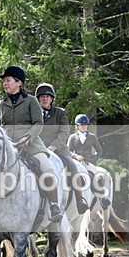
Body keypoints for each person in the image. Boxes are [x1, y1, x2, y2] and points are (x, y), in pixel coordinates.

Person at [0, 65, 63, 222]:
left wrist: (27, 137)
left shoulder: (31, 101)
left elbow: (39, 123)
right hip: (8, 148)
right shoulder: (0, 104)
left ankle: (53, 205)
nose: (5, 83)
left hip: (31, 145)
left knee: (47, 169)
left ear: (19, 83)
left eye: (8, 80)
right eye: (4, 81)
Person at [36, 83, 89, 214]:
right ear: (38, 98)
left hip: (59, 149)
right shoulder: (34, 113)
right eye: (42, 96)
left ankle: (80, 199)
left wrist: (53, 146)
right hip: (37, 147)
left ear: (52, 98)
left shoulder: (60, 113)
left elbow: (64, 132)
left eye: (48, 96)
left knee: (72, 165)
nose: (45, 99)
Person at [67, 113, 111, 209]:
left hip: (88, 162)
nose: (84, 127)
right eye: (82, 125)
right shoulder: (72, 137)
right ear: (77, 126)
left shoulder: (92, 137)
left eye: (85, 125)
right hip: (76, 162)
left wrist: (93, 159)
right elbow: (68, 151)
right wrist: (76, 156)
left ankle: (103, 197)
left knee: (97, 175)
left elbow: (99, 150)